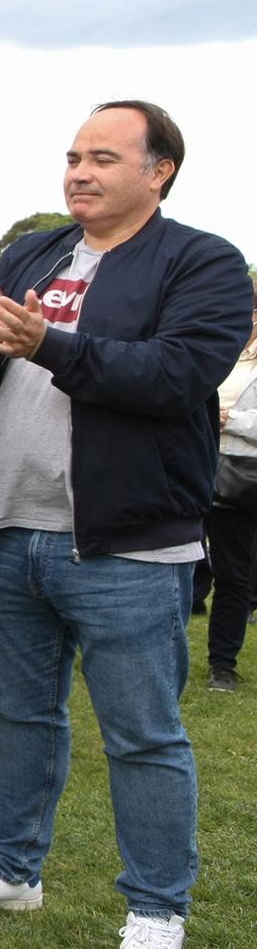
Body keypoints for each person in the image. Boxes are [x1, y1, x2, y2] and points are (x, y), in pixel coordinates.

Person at [0, 100, 249, 949]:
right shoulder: (35, 252)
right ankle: (11, 867)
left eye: (103, 156)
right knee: (23, 714)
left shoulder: (204, 262)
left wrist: (48, 342)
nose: (79, 171)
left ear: (161, 170)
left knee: (143, 735)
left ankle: (155, 911)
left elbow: (177, 374)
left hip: (125, 542)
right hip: (8, 524)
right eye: (72, 155)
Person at [205, 280, 257, 692]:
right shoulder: (218, 347)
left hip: (242, 478)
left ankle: (222, 664)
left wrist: (230, 419)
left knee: (233, 573)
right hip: (192, 464)